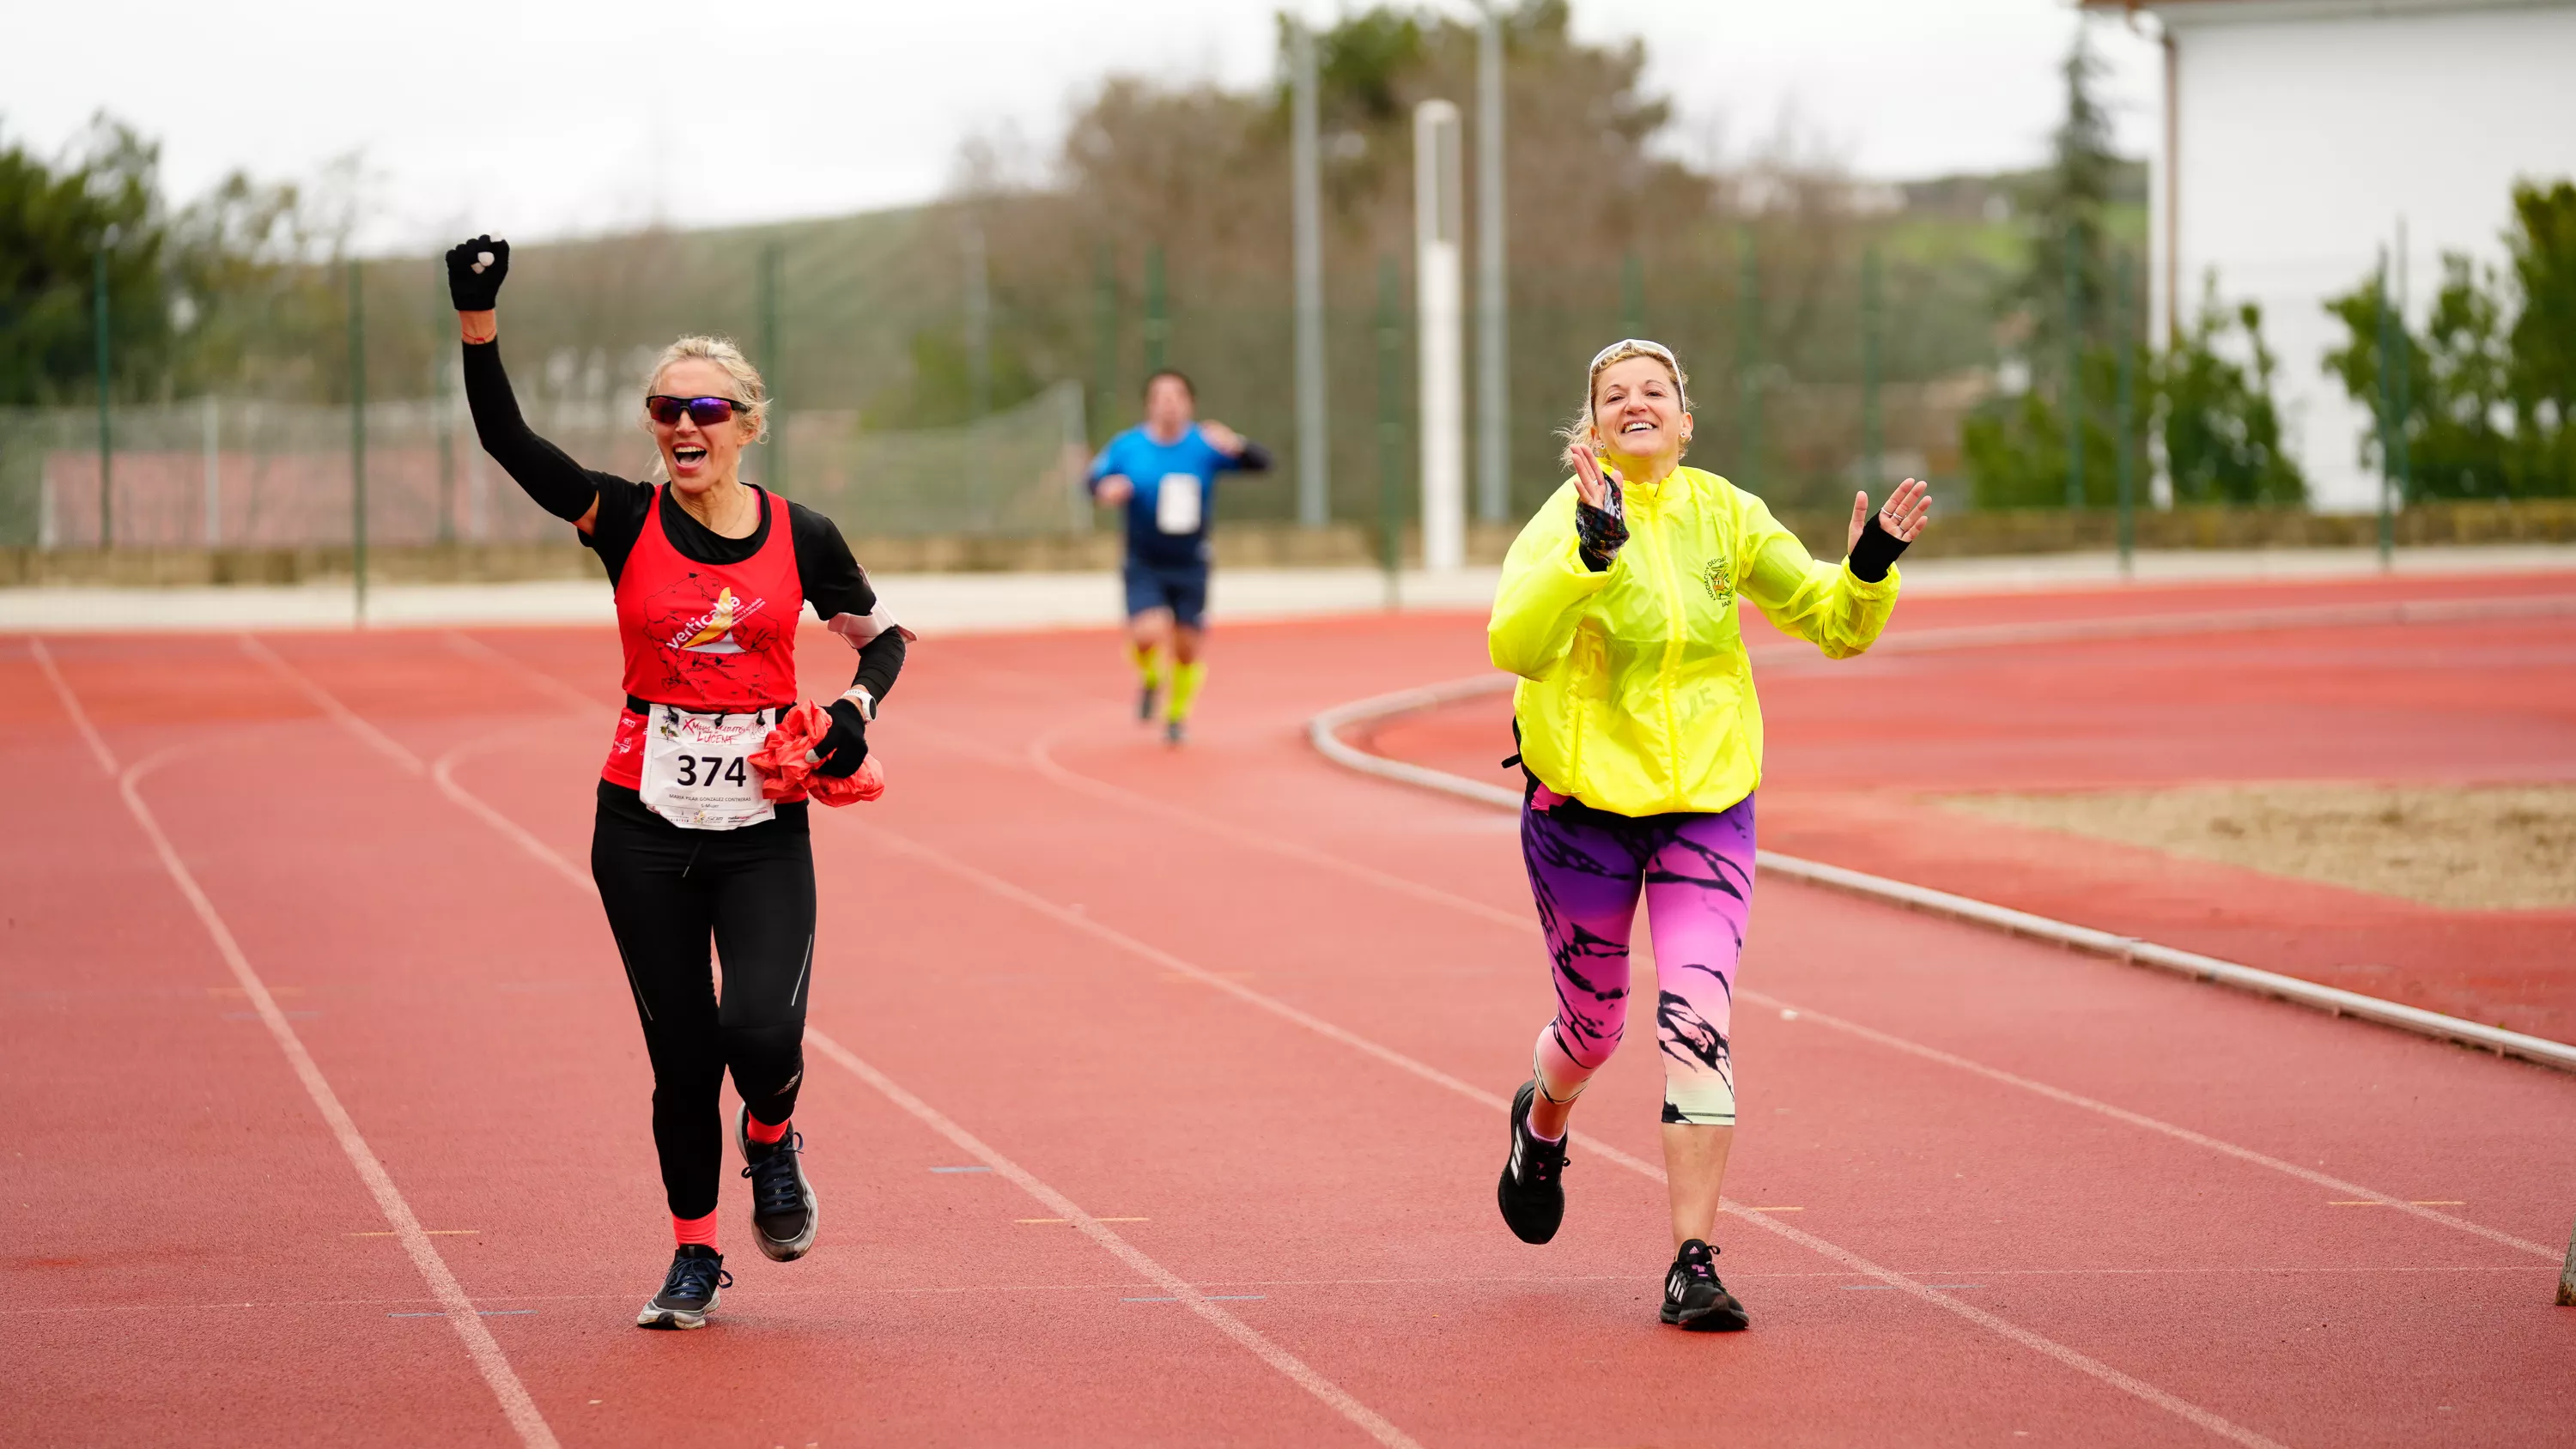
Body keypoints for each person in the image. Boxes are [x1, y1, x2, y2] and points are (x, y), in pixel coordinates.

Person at [446, 234, 911, 1331]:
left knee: (762, 1034)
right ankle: (695, 1254)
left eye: (705, 411)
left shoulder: (804, 535)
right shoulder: (622, 517)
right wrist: (477, 320)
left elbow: (882, 641)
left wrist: (853, 711)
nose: (682, 428)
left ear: (746, 424)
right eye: (665, 409)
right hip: (642, 822)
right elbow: (507, 438)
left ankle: (772, 1136)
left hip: (762, 826)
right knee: (681, 1055)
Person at [1485, 338, 1930, 1331]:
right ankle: (1541, 1116)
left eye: (1656, 392)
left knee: (1697, 1021)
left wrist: (1866, 570)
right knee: (1594, 1026)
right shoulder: (1565, 521)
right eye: (1616, 395)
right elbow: (1513, 640)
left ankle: (1694, 1260)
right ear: (1591, 427)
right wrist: (1588, 557)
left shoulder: (1728, 513)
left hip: (1707, 807)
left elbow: (1831, 620)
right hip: (1584, 811)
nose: (1637, 404)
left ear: (1686, 421)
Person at [1087, 368, 1272, 744]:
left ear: (1190, 404)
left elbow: (1262, 464)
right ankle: (1152, 677)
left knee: (1187, 648)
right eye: (1161, 397)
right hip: (1144, 558)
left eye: (1177, 397)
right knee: (1146, 632)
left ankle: (1176, 715)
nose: (1169, 404)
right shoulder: (1127, 447)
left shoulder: (1205, 445)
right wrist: (1105, 489)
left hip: (1191, 560)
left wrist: (1236, 443)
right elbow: (1092, 481)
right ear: (1149, 405)